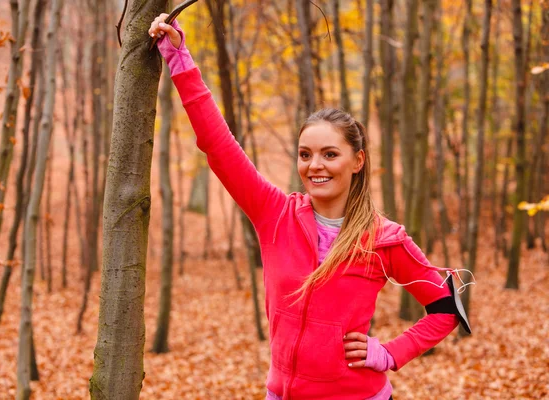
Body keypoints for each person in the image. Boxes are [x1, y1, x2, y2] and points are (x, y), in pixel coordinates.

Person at [149, 14, 470, 400]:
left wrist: (388, 353)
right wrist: (178, 57)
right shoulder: (274, 214)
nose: (315, 165)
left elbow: (447, 308)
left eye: (329, 154)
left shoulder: (384, 240)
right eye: (305, 154)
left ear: (358, 161)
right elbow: (217, 145)